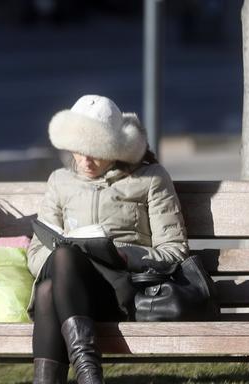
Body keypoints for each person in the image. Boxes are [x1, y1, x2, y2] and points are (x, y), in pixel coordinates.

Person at [28, 95, 189, 384]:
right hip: (71, 292)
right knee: (58, 267)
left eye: (96, 152)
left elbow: (174, 250)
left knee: (50, 286)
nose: (85, 161)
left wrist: (126, 255)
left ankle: (88, 376)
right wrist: (62, 258)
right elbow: (37, 251)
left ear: (115, 148)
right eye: (79, 151)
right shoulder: (59, 181)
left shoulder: (150, 178)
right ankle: (89, 375)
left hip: (120, 291)